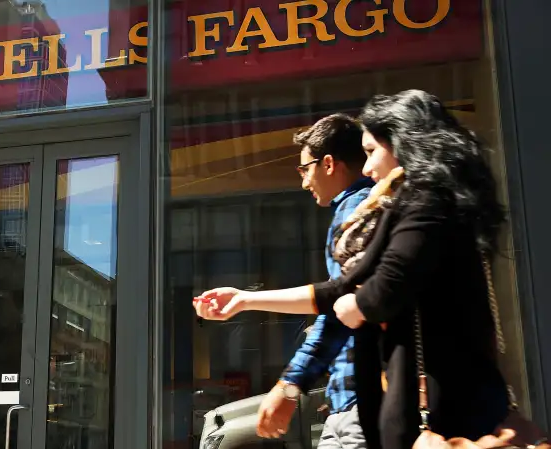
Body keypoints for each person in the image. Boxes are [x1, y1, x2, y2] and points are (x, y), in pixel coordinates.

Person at [194, 90, 510, 449]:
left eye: (372, 151)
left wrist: (350, 311)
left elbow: (373, 291)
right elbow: (342, 289)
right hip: (397, 403)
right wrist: (245, 301)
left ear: (402, 143)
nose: (367, 167)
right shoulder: (407, 205)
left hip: (435, 407)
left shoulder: (419, 204)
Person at [254, 114, 373, 449]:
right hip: (348, 399)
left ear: (329, 163)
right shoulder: (355, 210)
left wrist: (290, 385)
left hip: (362, 398)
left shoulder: (357, 211)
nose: (304, 181)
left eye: (305, 169)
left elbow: (339, 307)